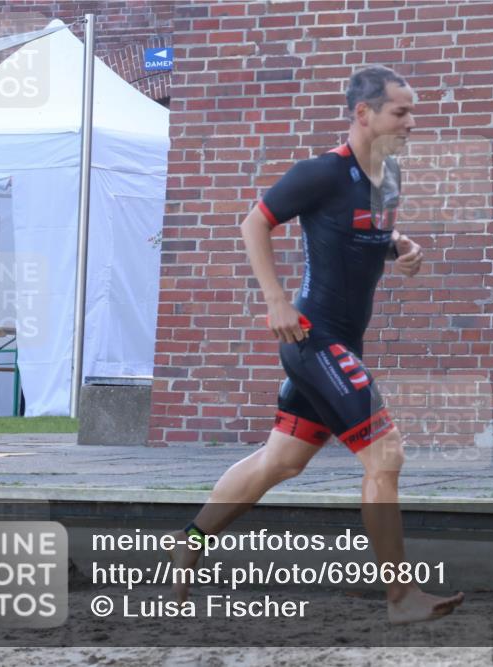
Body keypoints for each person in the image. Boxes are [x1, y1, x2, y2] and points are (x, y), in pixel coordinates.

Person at [166, 65, 464, 625]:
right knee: (385, 453)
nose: (411, 122)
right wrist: (277, 301)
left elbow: (366, 235)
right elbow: (254, 223)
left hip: (339, 344)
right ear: (364, 114)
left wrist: (400, 245)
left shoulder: (388, 176)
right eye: (401, 111)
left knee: (281, 460)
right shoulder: (322, 172)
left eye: (412, 112)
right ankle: (400, 597)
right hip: (313, 338)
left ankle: (188, 546)